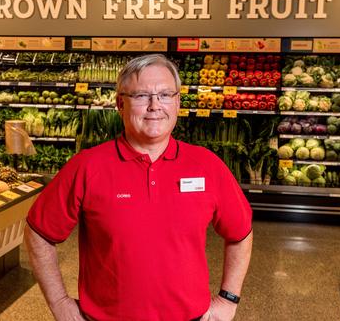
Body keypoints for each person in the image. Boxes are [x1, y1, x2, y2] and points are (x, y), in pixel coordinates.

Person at [24, 54, 253, 321]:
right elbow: (38, 233)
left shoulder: (207, 165)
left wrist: (228, 299)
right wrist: (60, 302)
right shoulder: (87, 166)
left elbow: (240, 233)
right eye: (142, 96)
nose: (155, 106)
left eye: (166, 94)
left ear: (178, 102)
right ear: (120, 104)